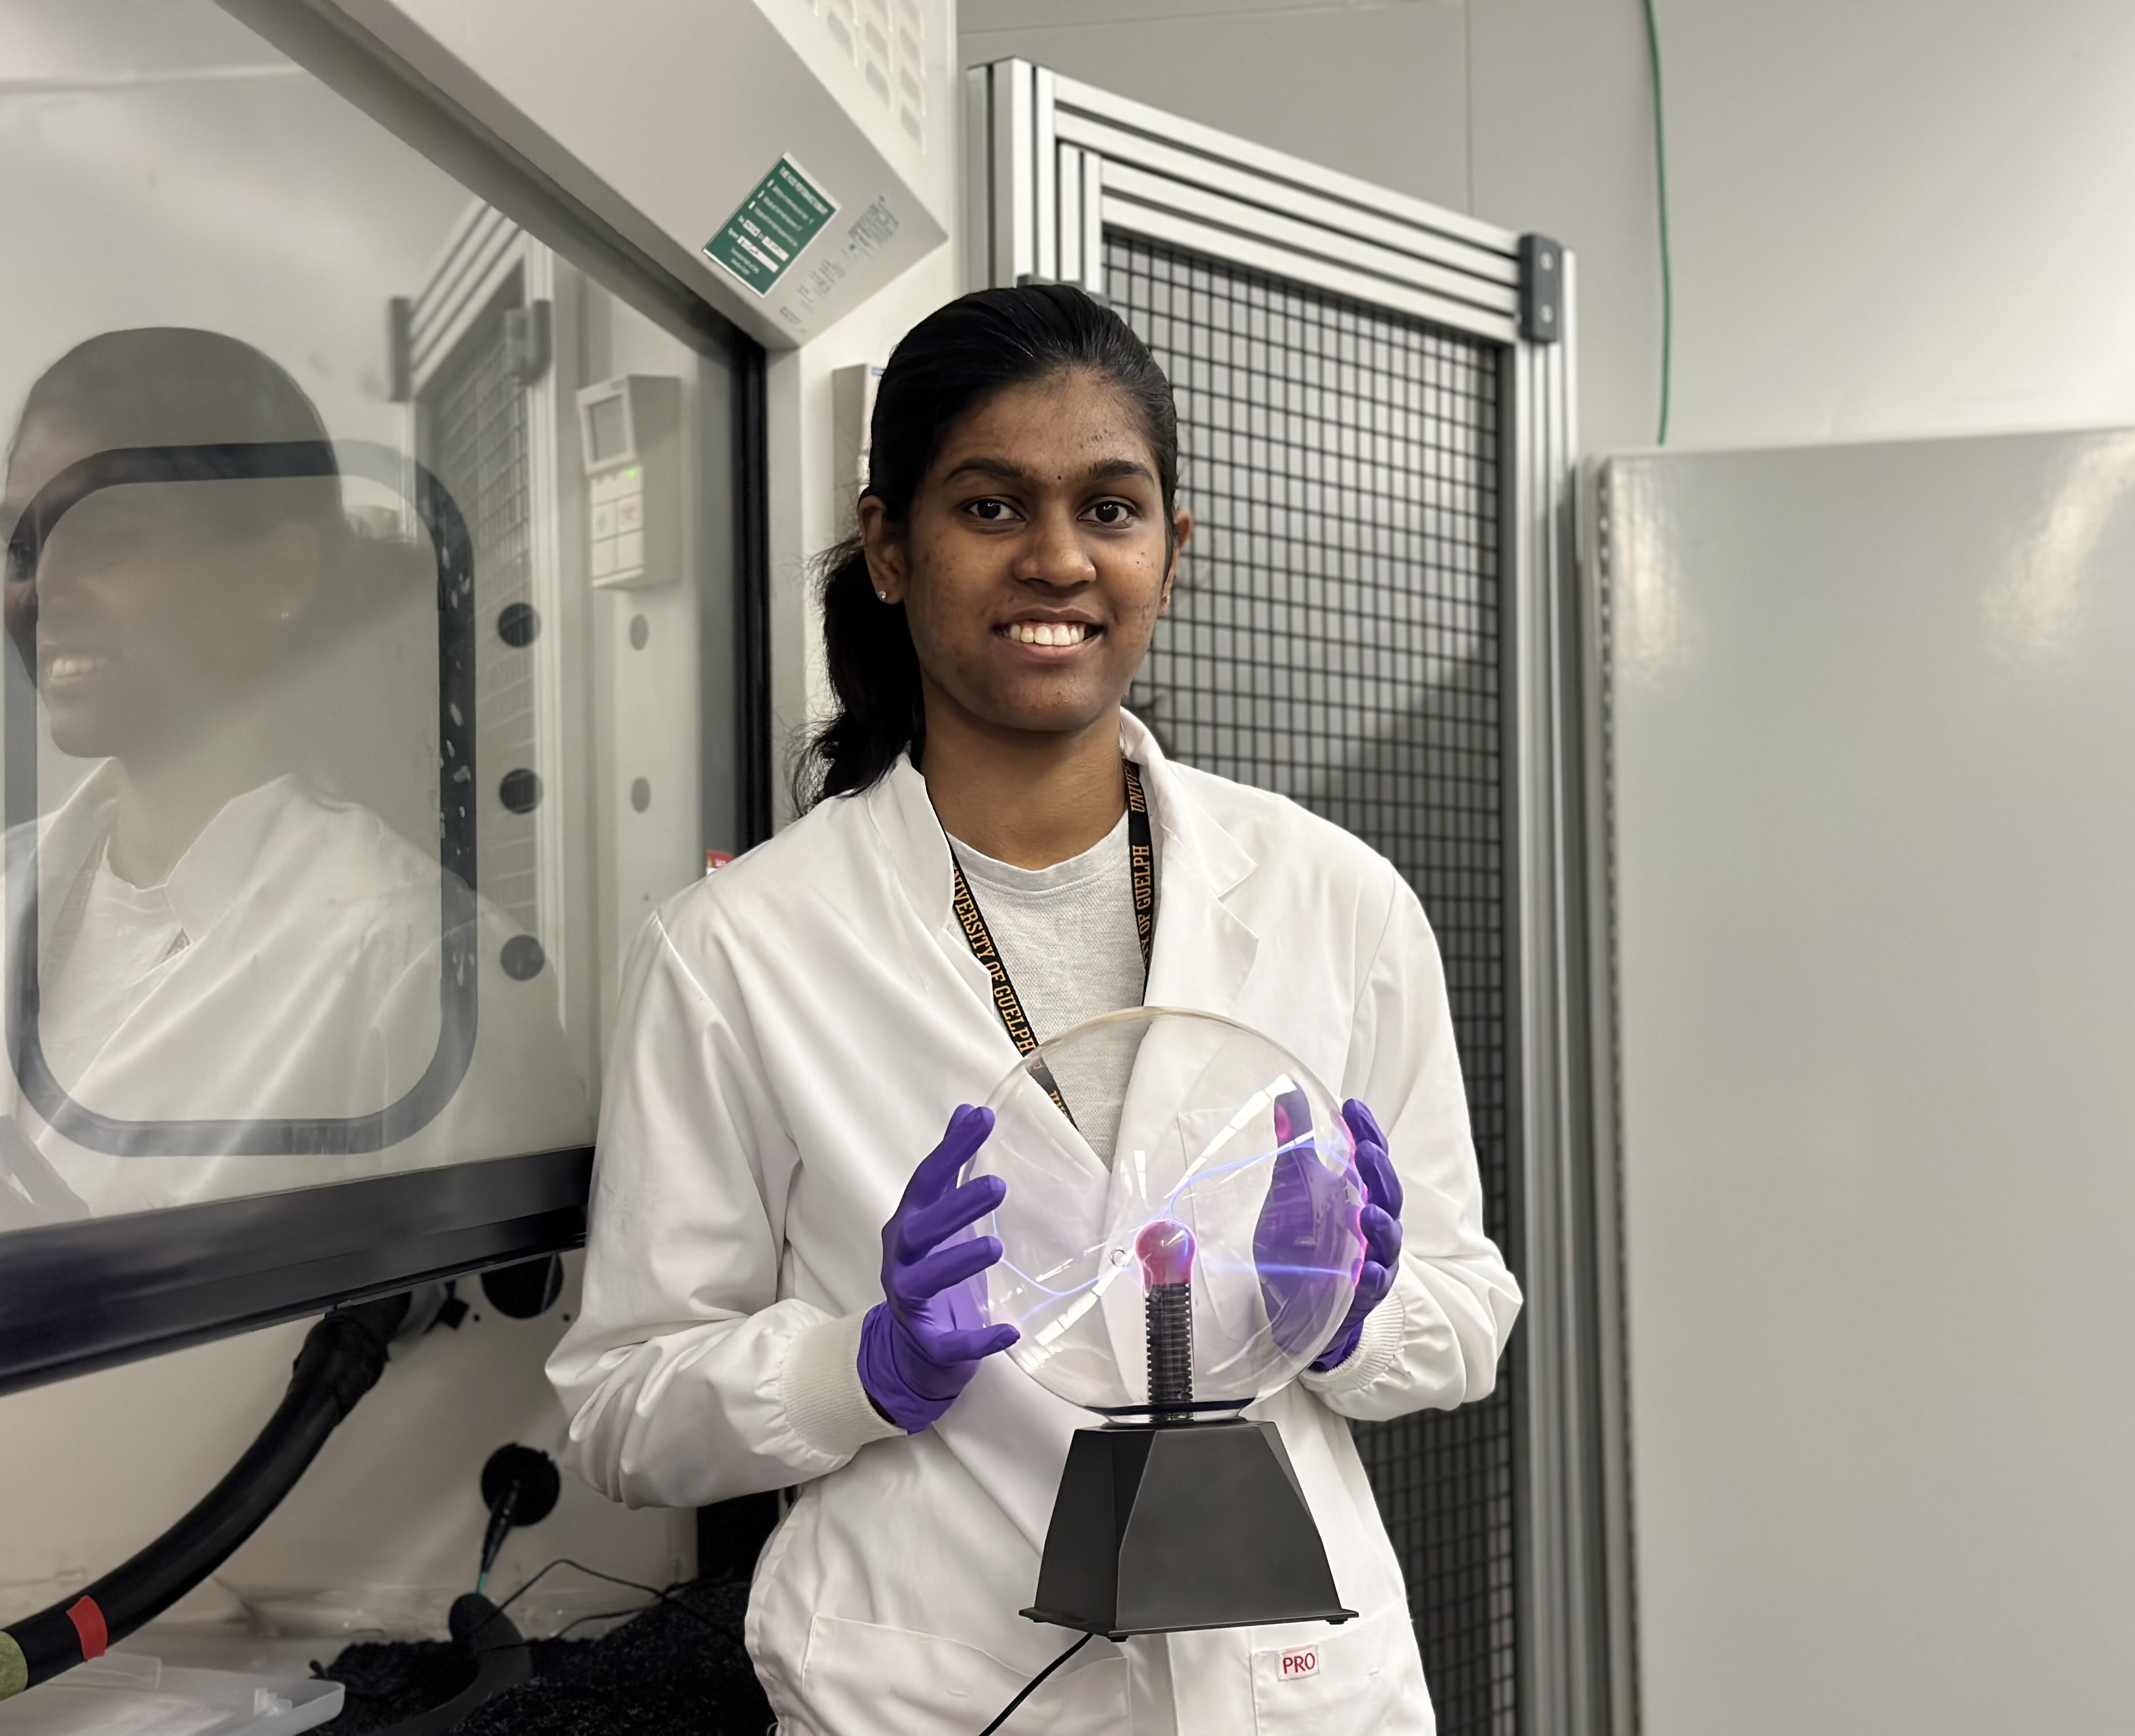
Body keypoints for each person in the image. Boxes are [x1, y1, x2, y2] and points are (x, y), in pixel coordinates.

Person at [548, 285, 1519, 1735]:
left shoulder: (1339, 902)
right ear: (889, 547)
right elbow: (620, 1408)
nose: (1059, 558)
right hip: (939, 1686)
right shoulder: (737, 950)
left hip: (1291, 1688)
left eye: (1111, 509)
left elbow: (1469, 1315)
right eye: (992, 509)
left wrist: (1356, 1310)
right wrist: (859, 1364)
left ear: (1170, 553)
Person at [0, 327, 585, 1235]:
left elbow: (491, 1353)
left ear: (281, 572)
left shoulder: (423, 970)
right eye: (21, 549)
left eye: (109, 539)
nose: (41, 588)